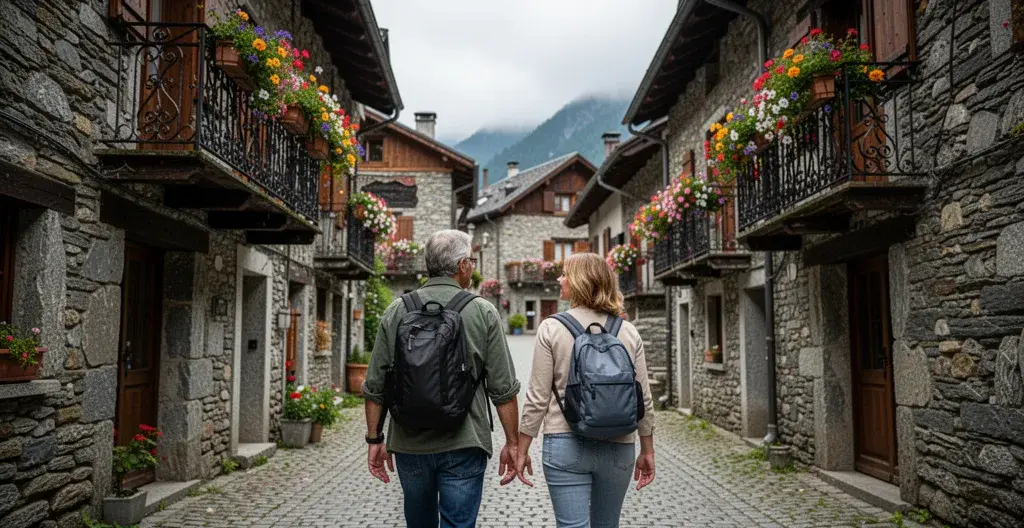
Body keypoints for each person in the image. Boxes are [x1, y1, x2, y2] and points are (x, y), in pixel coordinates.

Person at [363, 229, 522, 528]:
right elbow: (503, 389)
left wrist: (375, 439)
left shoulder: (397, 310)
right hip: (465, 442)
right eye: (472, 261)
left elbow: (375, 385)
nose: (472, 266)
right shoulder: (483, 312)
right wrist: (513, 444)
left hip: (409, 444)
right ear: (463, 265)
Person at [515, 252, 656, 528]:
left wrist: (521, 449)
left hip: (565, 443)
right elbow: (644, 399)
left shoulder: (551, 328)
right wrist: (647, 450)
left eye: (565, 274)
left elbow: (537, 398)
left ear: (580, 281)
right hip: (620, 446)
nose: (560, 278)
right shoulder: (628, 331)